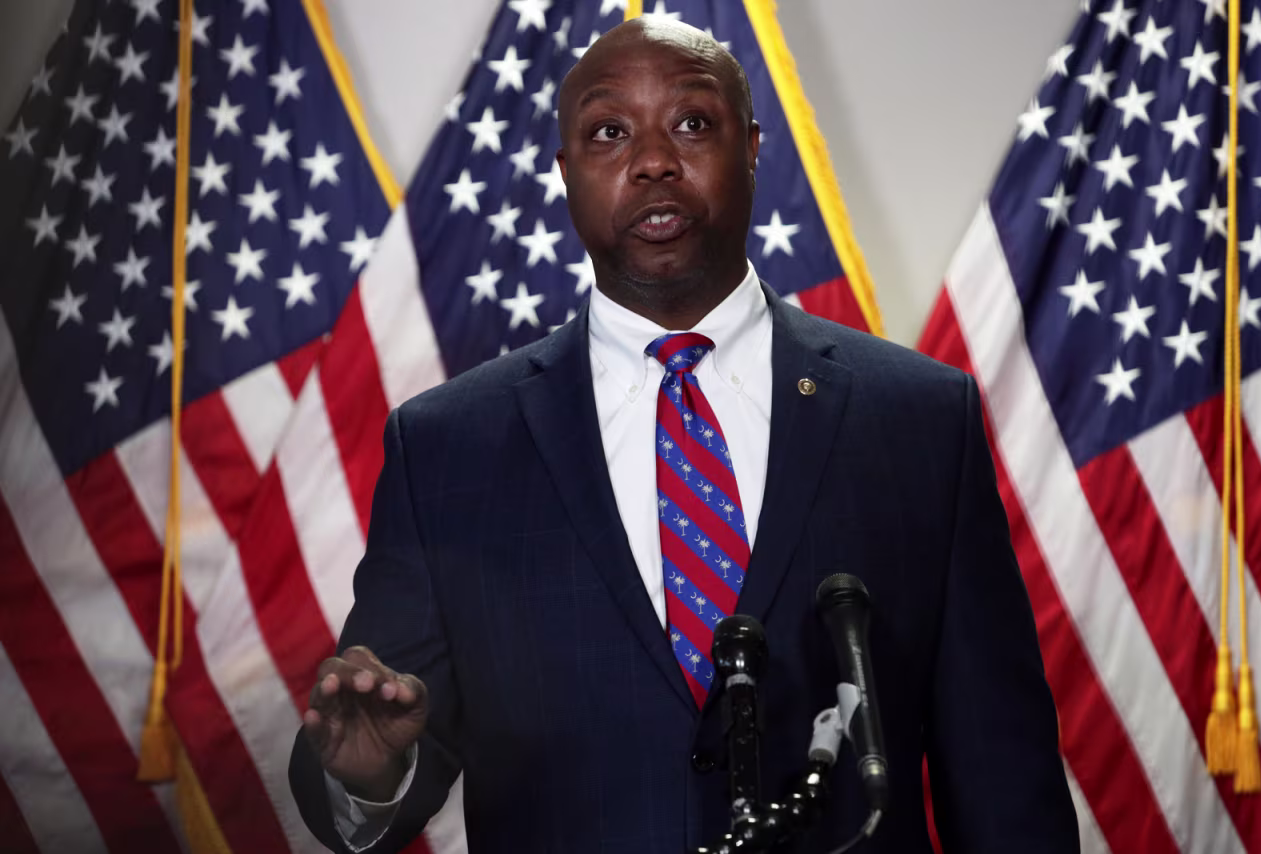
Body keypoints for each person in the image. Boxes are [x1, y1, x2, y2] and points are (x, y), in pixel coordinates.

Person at [289, 17, 1079, 854]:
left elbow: (1004, 782)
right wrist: (366, 776)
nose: (654, 161)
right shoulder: (447, 449)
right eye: (609, 132)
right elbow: (384, 744)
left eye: (693, 123)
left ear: (754, 148)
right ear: (565, 173)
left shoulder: (919, 418)